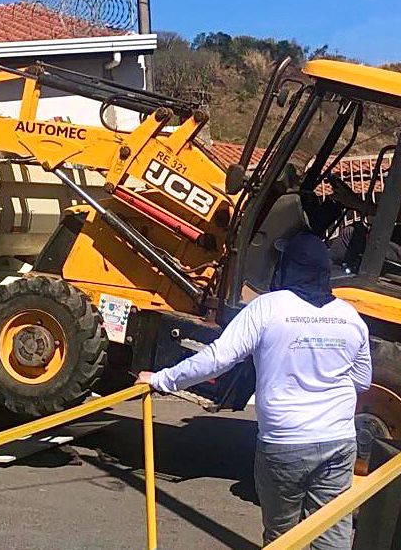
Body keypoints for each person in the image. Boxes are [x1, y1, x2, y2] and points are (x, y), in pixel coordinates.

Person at [137, 232, 371, 549]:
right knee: (332, 534)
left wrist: (162, 380)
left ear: (288, 267)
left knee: (282, 537)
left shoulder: (267, 308)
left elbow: (218, 359)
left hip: (285, 443)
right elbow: (361, 380)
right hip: (339, 442)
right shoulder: (350, 317)